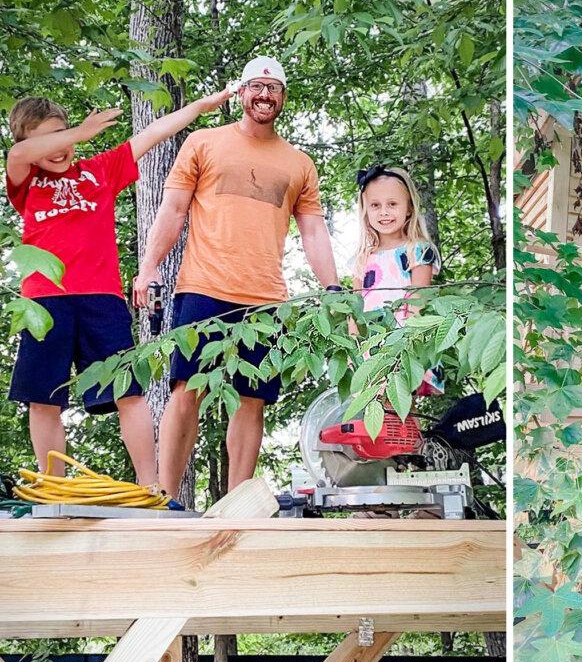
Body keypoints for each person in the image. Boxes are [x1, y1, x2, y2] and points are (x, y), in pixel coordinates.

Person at [132, 56, 339, 497]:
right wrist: (147, 269)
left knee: (252, 399)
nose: (265, 95)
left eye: (274, 88)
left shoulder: (299, 163)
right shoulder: (204, 143)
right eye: (256, 87)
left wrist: (334, 289)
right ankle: (165, 499)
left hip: (265, 299)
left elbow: (314, 230)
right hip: (202, 288)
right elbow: (171, 210)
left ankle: (238, 503)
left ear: (282, 97)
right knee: (186, 390)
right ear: (241, 93)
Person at [5, 89, 231, 481]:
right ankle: (54, 486)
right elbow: (17, 155)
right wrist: (80, 132)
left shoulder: (99, 171)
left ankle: (149, 487)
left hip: (101, 300)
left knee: (129, 392)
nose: (62, 147)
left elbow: (152, 135)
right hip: (44, 302)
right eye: (49, 139)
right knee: (43, 399)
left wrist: (199, 107)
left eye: (63, 134)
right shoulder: (25, 179)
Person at [353, 164, 443, 395]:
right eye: (375, 205)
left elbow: (417, 301)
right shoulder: (364, 258)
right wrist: (355, 344)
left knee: (402, 402)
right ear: (365, 211)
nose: (384, 212)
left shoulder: (418, 249)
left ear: (409, 208)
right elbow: (355, 306)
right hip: (372, 344)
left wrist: (403, 346)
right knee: (379, 408)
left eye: (392, 204)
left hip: (406, 339)